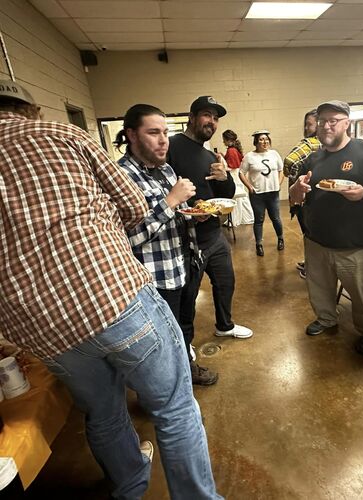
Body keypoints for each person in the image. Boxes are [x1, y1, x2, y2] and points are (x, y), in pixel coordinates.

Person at [0, 80, 222, 499]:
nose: (162, 140)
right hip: (109, 294)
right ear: (30, 110)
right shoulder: (62, 133)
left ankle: (129, 487)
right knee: (174, 407)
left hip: (41, 326)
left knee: (102, 412)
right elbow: (134, 209)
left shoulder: (166, 168)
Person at [115, 103, 218, 386]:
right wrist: (171, 201)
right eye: (153, 133)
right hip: (155, 278)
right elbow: (128, 237)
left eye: (165, 132)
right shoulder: (122, 177)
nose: (163, 140)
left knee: (184, 325)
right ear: (132, 135)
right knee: (161, 339)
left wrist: (195, 213)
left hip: (183, 265)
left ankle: (185, 368)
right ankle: (167, 388)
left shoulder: (166, 170)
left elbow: (178, 214)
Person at [290, 100, 363, 355]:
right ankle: (326, 318)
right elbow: (296, 196)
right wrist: (296, 190)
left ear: (346, 123)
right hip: (316, 240)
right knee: (319, 289)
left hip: (355, 243)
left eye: (333, 121)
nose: (326, 126)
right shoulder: (313, 158)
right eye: (322, 121)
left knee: (362, 295)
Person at [167, 96, 253, 341]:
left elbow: (226, 194)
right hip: (186, 241)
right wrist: (190, 209)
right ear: (192, 117)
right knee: (188, 296)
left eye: (215, 118)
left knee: (226, 283)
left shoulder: (209, 155)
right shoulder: (171, 146)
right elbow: (162, 189)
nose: (212, 122)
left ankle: (224, 325)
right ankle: (185, 344)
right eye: (207, 115)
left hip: (214, 235)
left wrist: (224, 177)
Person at [284, 109, 321, 277]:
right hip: (317, 198)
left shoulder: (310, 143)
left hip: (305, 199)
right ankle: (311, 263)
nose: (306, 128)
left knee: (309, 235)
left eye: (309, 124)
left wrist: (292, 175)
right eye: (305, 125)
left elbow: (289, 161)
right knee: (315, 235)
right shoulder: (329, 146)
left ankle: (312, 268)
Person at [239, 130, 285, 257]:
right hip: (257, 194)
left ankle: (280, 239)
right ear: (256, 142)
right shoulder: (249, 156)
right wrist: (249, 186)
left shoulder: (274, 154)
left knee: (276, 218)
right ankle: (258, 244)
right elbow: (241, 173)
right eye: (261, 139)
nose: (264, 142)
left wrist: (279, 183)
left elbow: (281, 170)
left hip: (273, 193)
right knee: (259, 220)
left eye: (266, 139)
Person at [222, 129, 254, 227]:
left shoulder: (231, 150)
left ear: (228, 140)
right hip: (237, 175)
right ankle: (247, 217)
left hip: (234, 176)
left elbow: (232, 166)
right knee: (241, 199)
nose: (223, 142)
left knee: (235, 198)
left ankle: (235, 220)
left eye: (224, 140)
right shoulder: (234, 149)